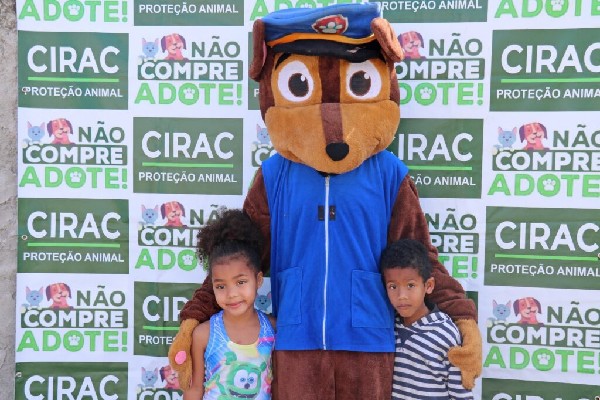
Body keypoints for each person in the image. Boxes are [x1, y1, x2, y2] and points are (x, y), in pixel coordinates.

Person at [183, 209, 276, 400]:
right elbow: (194, 389)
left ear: (258, 280)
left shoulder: (273, 329)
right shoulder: (203, 334)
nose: (232, 294)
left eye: (240, 282)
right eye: (221, 286)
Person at [380, 239, 475, 400]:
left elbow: (461, 394)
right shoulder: (389, 327)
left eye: (410, 285)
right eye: (393, 287)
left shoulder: (445, 332)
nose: (401, 296)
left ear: (428, 285)